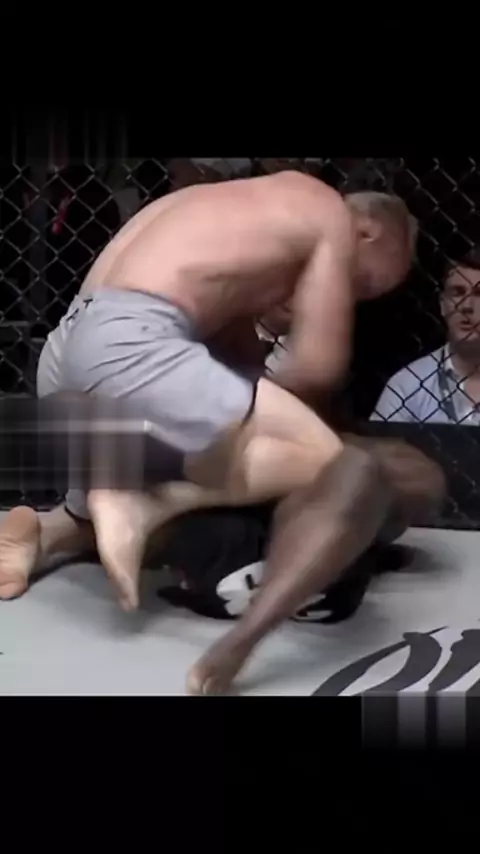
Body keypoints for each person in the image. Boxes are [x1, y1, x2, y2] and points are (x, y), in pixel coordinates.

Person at [0, 171, 417, 694]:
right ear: (368, 232)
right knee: (325, 459)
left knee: (147, 491)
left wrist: (253, 397)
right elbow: (317, 368)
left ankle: (42, 536)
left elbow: (230, 352)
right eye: (365, 285)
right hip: (132, 343)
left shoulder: (232, 213)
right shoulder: (327, 215)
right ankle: (147, 501)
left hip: (67, 355)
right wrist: (291, 403)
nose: (352, 299)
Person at [372, 247, 480, 424]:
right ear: (442, 304)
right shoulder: (408, 385)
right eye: (457, 292)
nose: (466, 305)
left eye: (479, 294)